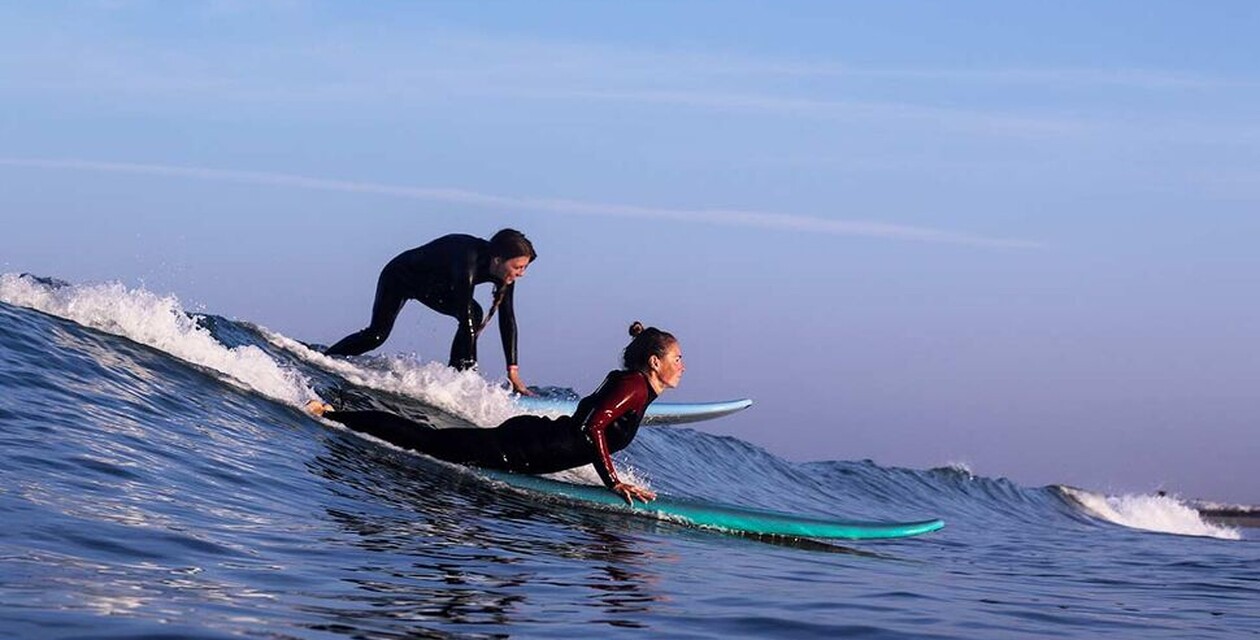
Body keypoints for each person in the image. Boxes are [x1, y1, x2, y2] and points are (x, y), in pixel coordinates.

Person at [307, 322, 684, 505]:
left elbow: (590, 428)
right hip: (524, 448)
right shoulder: (633, 386)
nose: (682, 366)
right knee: (425, 441)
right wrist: (612, 482)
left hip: (532, 444)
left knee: (432, 440)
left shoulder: (635, 386)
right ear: (655, 362)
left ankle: (340, 413)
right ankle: (332, 414)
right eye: (677, 358)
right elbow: (592, 427)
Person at [325, 229, 536, 395]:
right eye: (518, 267)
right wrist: (472, 380)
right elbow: (464, 316)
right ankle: (325, 359)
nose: (522, 273)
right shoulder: (468, 259)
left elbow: (507, 319)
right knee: (376, 335)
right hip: (400, 276)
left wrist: (513, 371)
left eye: (524, 268)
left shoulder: (504, 275)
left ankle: (455, 375)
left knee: (475, 314)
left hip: (432, 287)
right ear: (498, 260)